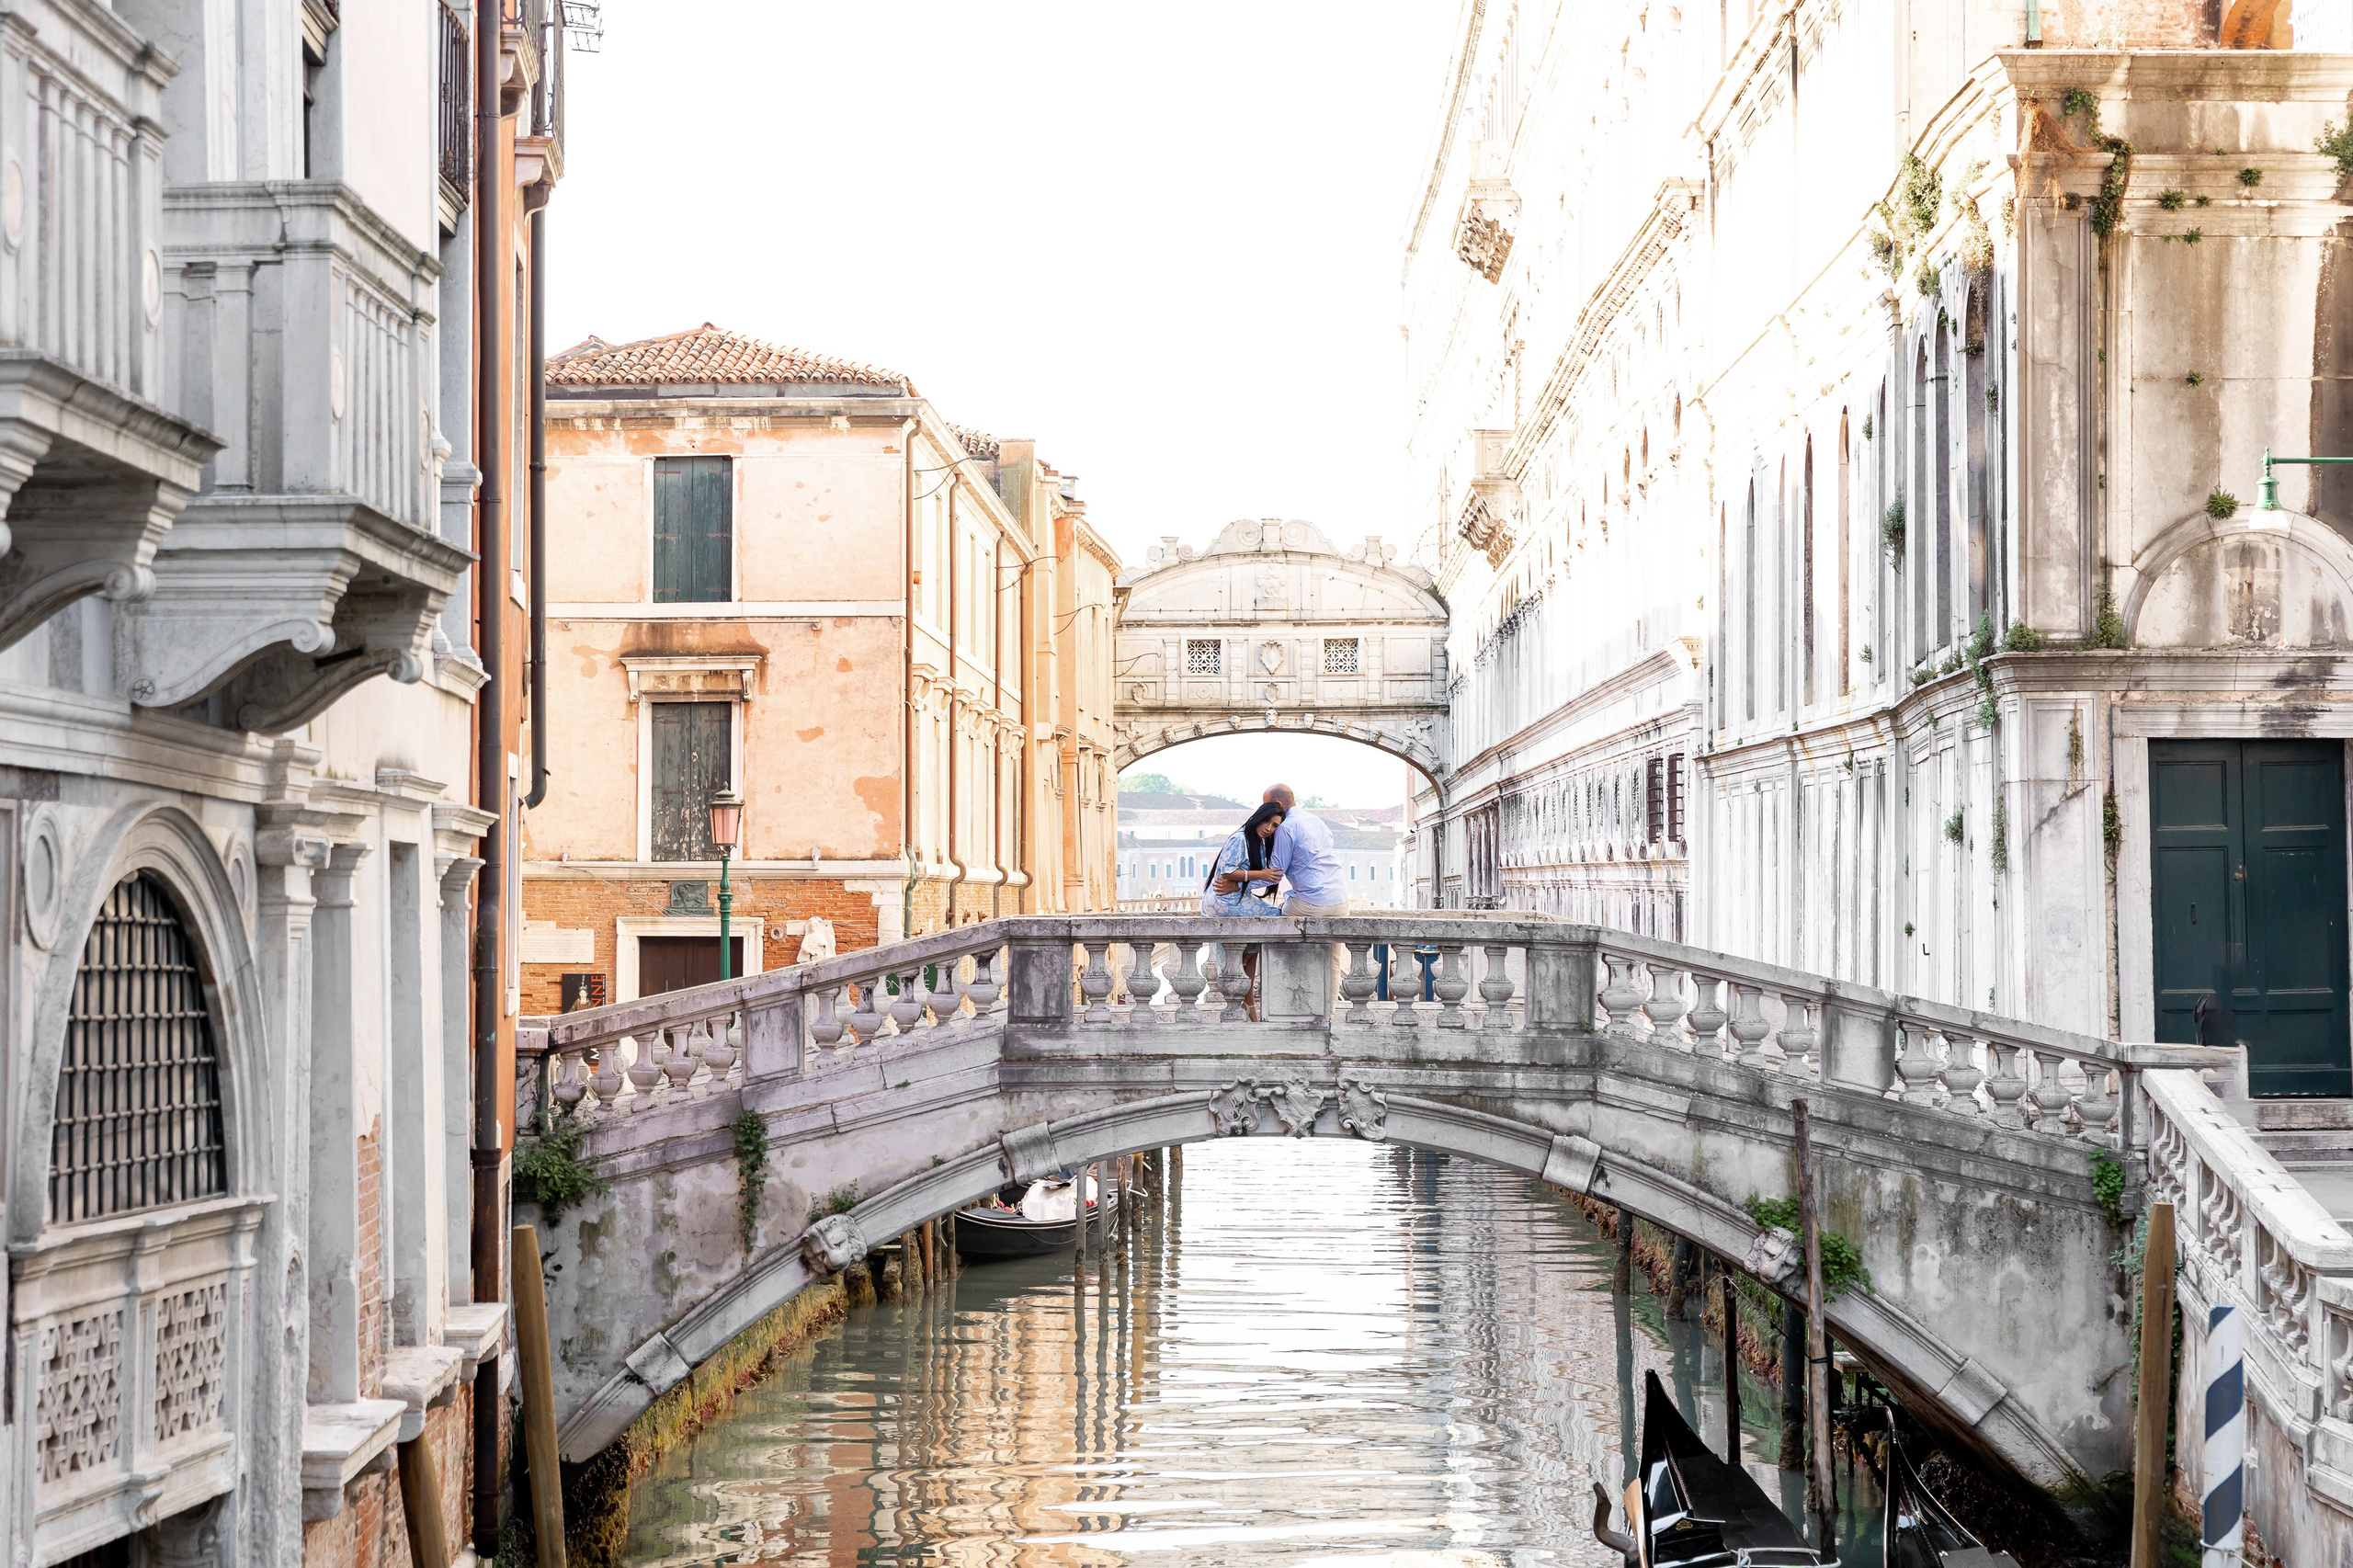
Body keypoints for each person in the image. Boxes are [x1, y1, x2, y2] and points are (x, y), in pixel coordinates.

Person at [1200, 800, 1289, 1020]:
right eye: (1267, 821)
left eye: (1275, 825)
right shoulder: (1240, 839)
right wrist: (1261, 874)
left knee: (1252, 948)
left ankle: (1248, 1005)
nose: (1269, 828)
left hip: (1233, 898)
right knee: (1278, 916)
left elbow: (1238, 876)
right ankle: (1241, 989)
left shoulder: (1258, 841)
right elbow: (1228, 872)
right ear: (1258, 817)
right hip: (1223, 901)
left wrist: (1245, 882)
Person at [1212, 783, 1352, 915]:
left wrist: (1237, 887)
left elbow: (1274, 874)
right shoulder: (1317, 821)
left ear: (1278, 805)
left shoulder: (1286, 827)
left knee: (1277, 916)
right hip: (1342, 901)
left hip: (1313, 903)